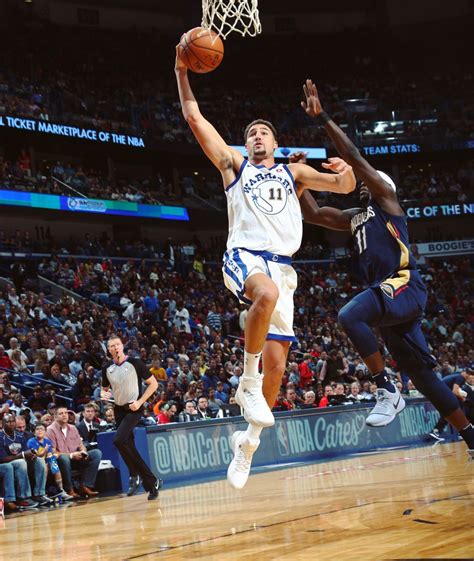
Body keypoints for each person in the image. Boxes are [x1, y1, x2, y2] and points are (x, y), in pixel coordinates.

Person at [175, 45, 356, 490]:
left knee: (278, 365)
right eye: (251, 133)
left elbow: (347, 186)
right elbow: (195, 118)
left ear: (275, 144)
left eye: (263, 133)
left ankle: (249, 444)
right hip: (244, 257)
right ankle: (246, 382)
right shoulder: (234, 166)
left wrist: (346, 169)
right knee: (264, 299)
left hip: (284, 269)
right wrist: (182, 70)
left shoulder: (294, 174)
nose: (256, 136)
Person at [298, 79, 474, 458]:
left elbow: (356, 157)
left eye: (368, 178)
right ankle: (471, 436)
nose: (363, 181)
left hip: (403, 284)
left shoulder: (386, 201)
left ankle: (385, 387)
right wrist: (298, 178)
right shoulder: (357, 215)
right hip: (391, 298)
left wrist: (323, 118)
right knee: (425, 376)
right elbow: (313, 214)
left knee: (349, 315)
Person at [101, 334, 163, 499]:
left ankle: (134, 474)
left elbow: (154, 384)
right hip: (119, 410)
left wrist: (140, 401)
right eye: (112, 346)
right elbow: (104, 388)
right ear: (108, 350)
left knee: (118, 440)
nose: (115, 347)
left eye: (117, 344)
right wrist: (103, 393)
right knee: (129, 447)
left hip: (134, 408)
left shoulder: (135, 362)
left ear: (122, 346)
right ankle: (152, 483)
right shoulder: (107, 367)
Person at [46, 407, 102, 499]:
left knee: (96, 453)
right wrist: (71, 455)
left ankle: (85, 486)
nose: (64, 415)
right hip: (60, 462)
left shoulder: (73, 428)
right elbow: (53, 451)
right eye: (61, 413)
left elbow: (80, 444)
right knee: (64, 458)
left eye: (66, 413)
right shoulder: (50, 430)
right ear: (55, 417)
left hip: (77, 458)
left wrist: (83, 451)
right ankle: (69, 489)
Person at [0, 414, 39, 509]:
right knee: (20, 463)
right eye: (8, 422)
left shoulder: (19, 436)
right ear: (2, 424)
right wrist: (22, 455)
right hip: (5, 463)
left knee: (39, 461)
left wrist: (31, 456)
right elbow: (3, 459)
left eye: (13, 421)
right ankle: (23, 498)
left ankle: (40, 494)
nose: (11, 424)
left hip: (19, 462)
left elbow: (26, 452)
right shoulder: (0, 437)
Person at [26, 423, 72, 501]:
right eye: (37, 429)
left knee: (53, 463)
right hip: (34, 463)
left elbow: (49, 455)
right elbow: (36, 456)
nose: (40, 430)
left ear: (45, 432)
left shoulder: (47, 441)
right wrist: (45, 451)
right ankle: (42, 493)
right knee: (45, 465)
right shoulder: (31, 441)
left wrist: (52, 458)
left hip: (45, 461)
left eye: (42, 429)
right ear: (34, 432)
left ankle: (61, 490)